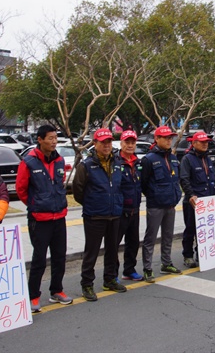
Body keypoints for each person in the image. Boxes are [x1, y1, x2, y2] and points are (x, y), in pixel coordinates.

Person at [16, 124, 71, 313]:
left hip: (59, 217)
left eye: (55, 138)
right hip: (39, 219)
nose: (54, 141)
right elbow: (21, 190)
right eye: (50, 138)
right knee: (39, 259)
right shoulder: (29, 162)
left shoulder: (60, 161)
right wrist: (36, 204)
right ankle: (33, 296)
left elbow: (60, 184)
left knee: (59, 256)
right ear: (40, 140)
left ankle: (57, 290)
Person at [73, 128, 126, 301]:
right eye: (102, 142)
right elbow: (78, 191)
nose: (106, 145)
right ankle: (87, 284)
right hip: (95, 216)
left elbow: (120, 186)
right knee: (92, 252)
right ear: (95, 143)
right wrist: (93, 204)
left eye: (109, 142)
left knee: (112, 250)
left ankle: (110, 279)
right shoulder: (86, 165)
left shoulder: (118, 162)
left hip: (114, 214)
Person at [140, 126, 183, 281]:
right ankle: (148, 268)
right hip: (156, 205)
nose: (168, 140)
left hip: (171, 204)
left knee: (168, 235)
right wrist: (154, 195)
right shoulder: (149, 159)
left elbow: (175, 179)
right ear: (156, 139)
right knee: (151, 237)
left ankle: (166, 263)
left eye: (170, 138)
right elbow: (143, 183)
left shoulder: (172, 157)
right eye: (165, 138)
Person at [180, 131, 215, 265]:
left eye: (207, 142)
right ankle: (188, 256)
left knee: (206, 230)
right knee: (191, 229)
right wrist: (191, 195)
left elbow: (214, 177)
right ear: (194, 143)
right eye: (202, 142)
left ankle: (203, 253)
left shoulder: (207, 158)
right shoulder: (187, 159)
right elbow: (184, 179)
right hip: (194, 201)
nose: (205, 144)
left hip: (208, 201)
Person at [114, 130, 144, 281]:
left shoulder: (138, 162)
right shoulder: (115, 161)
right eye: (127, 142)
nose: (130, 145)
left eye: (133, 142)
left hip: (135, 209)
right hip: (119, 211)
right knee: (114, 244)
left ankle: (129, 270)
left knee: (133, 242)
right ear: (121, 143)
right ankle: (112, 274)